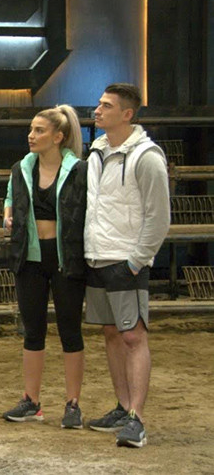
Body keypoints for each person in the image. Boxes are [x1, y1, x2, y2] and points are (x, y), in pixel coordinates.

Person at [84, 83, 169, 448]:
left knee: (133, 336)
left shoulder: (146, 156)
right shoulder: (97, 151)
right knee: (111, 333)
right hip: (97, 255)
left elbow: (159, 217)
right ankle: (122, 407)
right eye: (99, 104)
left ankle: (137, 418)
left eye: (106, 106)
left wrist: (136, 261)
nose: (97, 110)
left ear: (127, 114)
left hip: (126, 259)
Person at [1, 105, 88, 431]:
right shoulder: (21, 168)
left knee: (70, 330)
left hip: (66, 257)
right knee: (33, 330)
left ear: (58, 137)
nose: (31, 135)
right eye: (31, 129)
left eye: (39, 130)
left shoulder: (78, 170)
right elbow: (11, 198)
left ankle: (73, 403)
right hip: (30, 257)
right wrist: (8, 213)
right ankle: (31, 401)